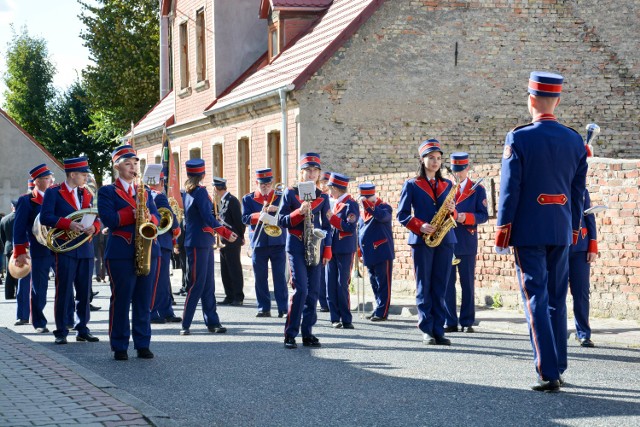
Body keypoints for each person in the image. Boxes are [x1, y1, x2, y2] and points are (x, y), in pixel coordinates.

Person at [494, 71, 587, 392]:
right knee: (557, 299)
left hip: (528, 230)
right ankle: (558, 364)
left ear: (530, 100)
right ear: (557, 100)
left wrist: (503, 229)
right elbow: (578, 193)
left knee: (535, 295)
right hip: (561, 229)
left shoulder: (518, 138)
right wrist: (574, 228)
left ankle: (547, 370)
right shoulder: (575, 139)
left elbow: (510, 190)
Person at [98, 145, 161, 360]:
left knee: (144, 301)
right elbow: (110, 220)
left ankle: (143, 344)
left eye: (135, 163)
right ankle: (120, 345)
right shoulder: (107, 191)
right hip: (121, 251)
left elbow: (158, 218)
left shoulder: (144, 191)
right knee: (122, 299)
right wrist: (132, 213)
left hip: (145, 249)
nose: (133, 167)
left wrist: (149, 217)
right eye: (128, 163)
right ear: (117, 167)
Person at [397, 139, 457, 346]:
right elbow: (402, 215)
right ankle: (427, 329)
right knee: (424, 286)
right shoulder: (412, 184)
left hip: (445, 239)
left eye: (439, 158)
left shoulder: (447, 184)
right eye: (431, 158)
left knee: (441, 285)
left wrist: (451, 209)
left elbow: (453, 215)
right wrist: (420, 226)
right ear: (422, 160)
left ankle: (439, 329)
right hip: (422, 240)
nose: (435, 162)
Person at [40, 157, 101, 345]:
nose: (86, 177)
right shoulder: (54, 192)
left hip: (85, 248)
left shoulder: (87, 193)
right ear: (72, 174)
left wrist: (95, 228)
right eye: (83, 174)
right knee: (64, 291)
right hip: (65, 247)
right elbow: (45, 217)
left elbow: (95, 216)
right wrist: (68, 224)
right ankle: (61, 331)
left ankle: (82, 328)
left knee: (84, 293)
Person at [278, 153, 332, 349]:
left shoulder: (323, 196)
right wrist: (298, 212)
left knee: (314, 292)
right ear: (300, 173)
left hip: (315, 247)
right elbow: (281, 220)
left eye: (315, 170)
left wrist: (327, 250)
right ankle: (290, 333)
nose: (311, 174)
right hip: (296, 245)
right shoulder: (290, 193)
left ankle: (308, 332)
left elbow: (327, 226)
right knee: (300, 289)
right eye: (307, 170)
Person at [180, 159, 237, 335]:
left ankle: (212, 321)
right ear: (203, 175)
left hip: (201, 242)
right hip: (199, 242)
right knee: (197, 284)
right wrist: (226, 232)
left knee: (207, 284)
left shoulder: (188, 193)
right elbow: (207, 216)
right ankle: (186, 323)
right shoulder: (200, 193)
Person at [444, 153, 488, 333]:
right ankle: (450, 321)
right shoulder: (446, 188)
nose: (458, 174)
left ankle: (468, 321)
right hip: (447, 239)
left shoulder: (478, 189)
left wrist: (465, 217)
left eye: (461, 171)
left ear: (467, 169)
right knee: (447, 283)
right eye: (455, 171)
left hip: (466, 240)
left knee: (467, 283)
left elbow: (483, 215)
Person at [13, 164, 55, 333]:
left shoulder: (56, 196)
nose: (51, 180)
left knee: (65, 285)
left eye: (50, 177)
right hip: (39, 249)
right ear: (37, 181)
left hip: (59, 248)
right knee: (39, 288)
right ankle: (38, 322)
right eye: (46, 178)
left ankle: (67, 319)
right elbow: (19, 228)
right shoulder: (26, 200)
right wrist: (20, 252)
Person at [241, 168, 288, 318]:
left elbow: (288, 216)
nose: (265, 187)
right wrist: (260, 215)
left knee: (279, 276)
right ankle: (263, 307)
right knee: (260, 277)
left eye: (268, 184)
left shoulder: (280, 196)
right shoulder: (248, 199)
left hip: (277, 241)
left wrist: (277, 210)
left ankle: (283, 308)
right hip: (259, 242)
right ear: (256, 183)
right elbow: (245, 219)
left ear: (272, 183)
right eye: (262, 184)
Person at [143, 164, 182, 324]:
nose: (163, 183)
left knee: (159, 280)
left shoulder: (143, 195)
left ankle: (165, 311)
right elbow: (172, 219)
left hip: (151, 241)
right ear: (159, 180)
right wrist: (177, 229)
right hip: (163, 241)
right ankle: (156, 312)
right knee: (161, 280)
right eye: (162, 180)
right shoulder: (158, 196)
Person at [325, 172, 359, 329]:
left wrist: (332, 218)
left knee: (342, 284)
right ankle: (334, 318)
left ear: (336, 188)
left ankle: (346, 318)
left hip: (344, 249)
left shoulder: (350, 204)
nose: (329, 191)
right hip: (330, 248)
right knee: (330, 283)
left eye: (330, 188)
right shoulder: (331, 202)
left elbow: (350, 227)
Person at [356, 182, 394, 321]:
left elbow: (382, 216)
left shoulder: (384, 207)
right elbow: (360, 231)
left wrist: (367, 205)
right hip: (369, 252)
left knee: (383, 283)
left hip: (382, 251)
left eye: (364, 200)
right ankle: (378, 307)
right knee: (374, 282)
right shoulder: (362, 212)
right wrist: (359, 250)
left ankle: (382, 311)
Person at [569, 186, 598, 347]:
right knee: (554, 292)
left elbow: (589, 216)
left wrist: (592, 245)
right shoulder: (551, 186)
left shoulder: (582, 190)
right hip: (557, 247)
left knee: (581, 292)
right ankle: (554, 331)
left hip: (580, 247)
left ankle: (583, 334)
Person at [213, 177, 245, 306]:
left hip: (233, 239)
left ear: (216, 188)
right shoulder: (221, 201)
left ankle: (238, 296)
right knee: (225, 270)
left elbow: (239, 221)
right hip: (223, 240)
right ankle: (229, 295)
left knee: (234, 268)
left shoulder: (232, 201)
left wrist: (241, 236)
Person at [317, 171, 331, 312]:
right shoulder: (319, 198)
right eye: (323, 182)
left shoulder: (333, 199)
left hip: (336, 238)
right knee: (321, 273)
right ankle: (323, 302)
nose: (325, 185)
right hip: (322, 236)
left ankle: (333, 300)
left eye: (327, 182)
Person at [0, 201, 17, 300]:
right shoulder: (22, 217)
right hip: (21, 247)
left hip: (8, 247)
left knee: (10, 273)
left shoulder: (4, 219)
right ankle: (19, 293)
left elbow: (2, 236)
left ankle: (9, 294)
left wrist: (7, 246)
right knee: (20, 271)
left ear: (12, 207)